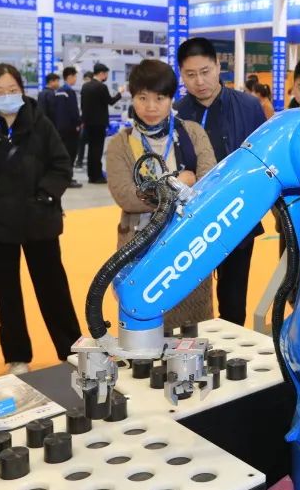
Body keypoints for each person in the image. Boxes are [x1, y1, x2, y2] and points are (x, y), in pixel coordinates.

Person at [0, 64, 81, 375]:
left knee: (53, 288)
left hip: (40, 220)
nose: (7, 96)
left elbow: (61, 164)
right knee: (5, 293)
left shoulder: (40, 122)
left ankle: (72, 349)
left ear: (22, 91)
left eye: (13, 90)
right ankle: (17, 356)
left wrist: (46, 195)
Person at [106, 59, 218, 331]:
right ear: (133, 98)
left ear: (171, 99)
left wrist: (153, 191)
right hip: (139, 246)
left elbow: (208, 184)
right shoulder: (120, 144)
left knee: (192, 327)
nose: (151, 107)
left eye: (160, 98)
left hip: (188, 243)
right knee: (143, 324)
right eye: (143, 98)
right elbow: (126, 196)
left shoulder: (192, 133)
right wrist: (180, 182)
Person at [174, 37, 267, 326]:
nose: (199, 81)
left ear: (218, 66)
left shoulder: (249, 107)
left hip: (237, 218)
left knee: (234, 302)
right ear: (181, 74)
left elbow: (262, 162)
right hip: (190, 224)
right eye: (190, 74)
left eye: (205, 71)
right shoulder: (176, 113)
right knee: (187, 303)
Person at [80, 63, 124, 184]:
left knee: (91, 150)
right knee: (97, 150)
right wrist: (120, 93)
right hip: (99, 123)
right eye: (106, 74)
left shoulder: (85, 86)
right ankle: (97, 176)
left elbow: (83, 106)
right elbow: (111, 101)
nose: (106, 76)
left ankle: (91, 175)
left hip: (88, 123)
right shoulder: (101, 87)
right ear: (101, 73)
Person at [49, 67, 83, 189]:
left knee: (63, 154)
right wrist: (78, 123)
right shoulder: (69, 92)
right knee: (71, 154)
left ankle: (63, 178)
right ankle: (68, 179)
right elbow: (73, 111)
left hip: (60, 128)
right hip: (70, 129)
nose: (75, 79)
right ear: (70, 77)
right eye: (75, 77)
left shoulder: (58, 92)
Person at [74, 70, 92, 168]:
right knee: (81, 141)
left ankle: (85, 161)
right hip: (85, 121)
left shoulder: (94, 90)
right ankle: (79, 161)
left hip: (92, 122)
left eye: (87, 79)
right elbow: (83, 107)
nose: (85, 82)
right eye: (84, 80)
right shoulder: (84, 90)